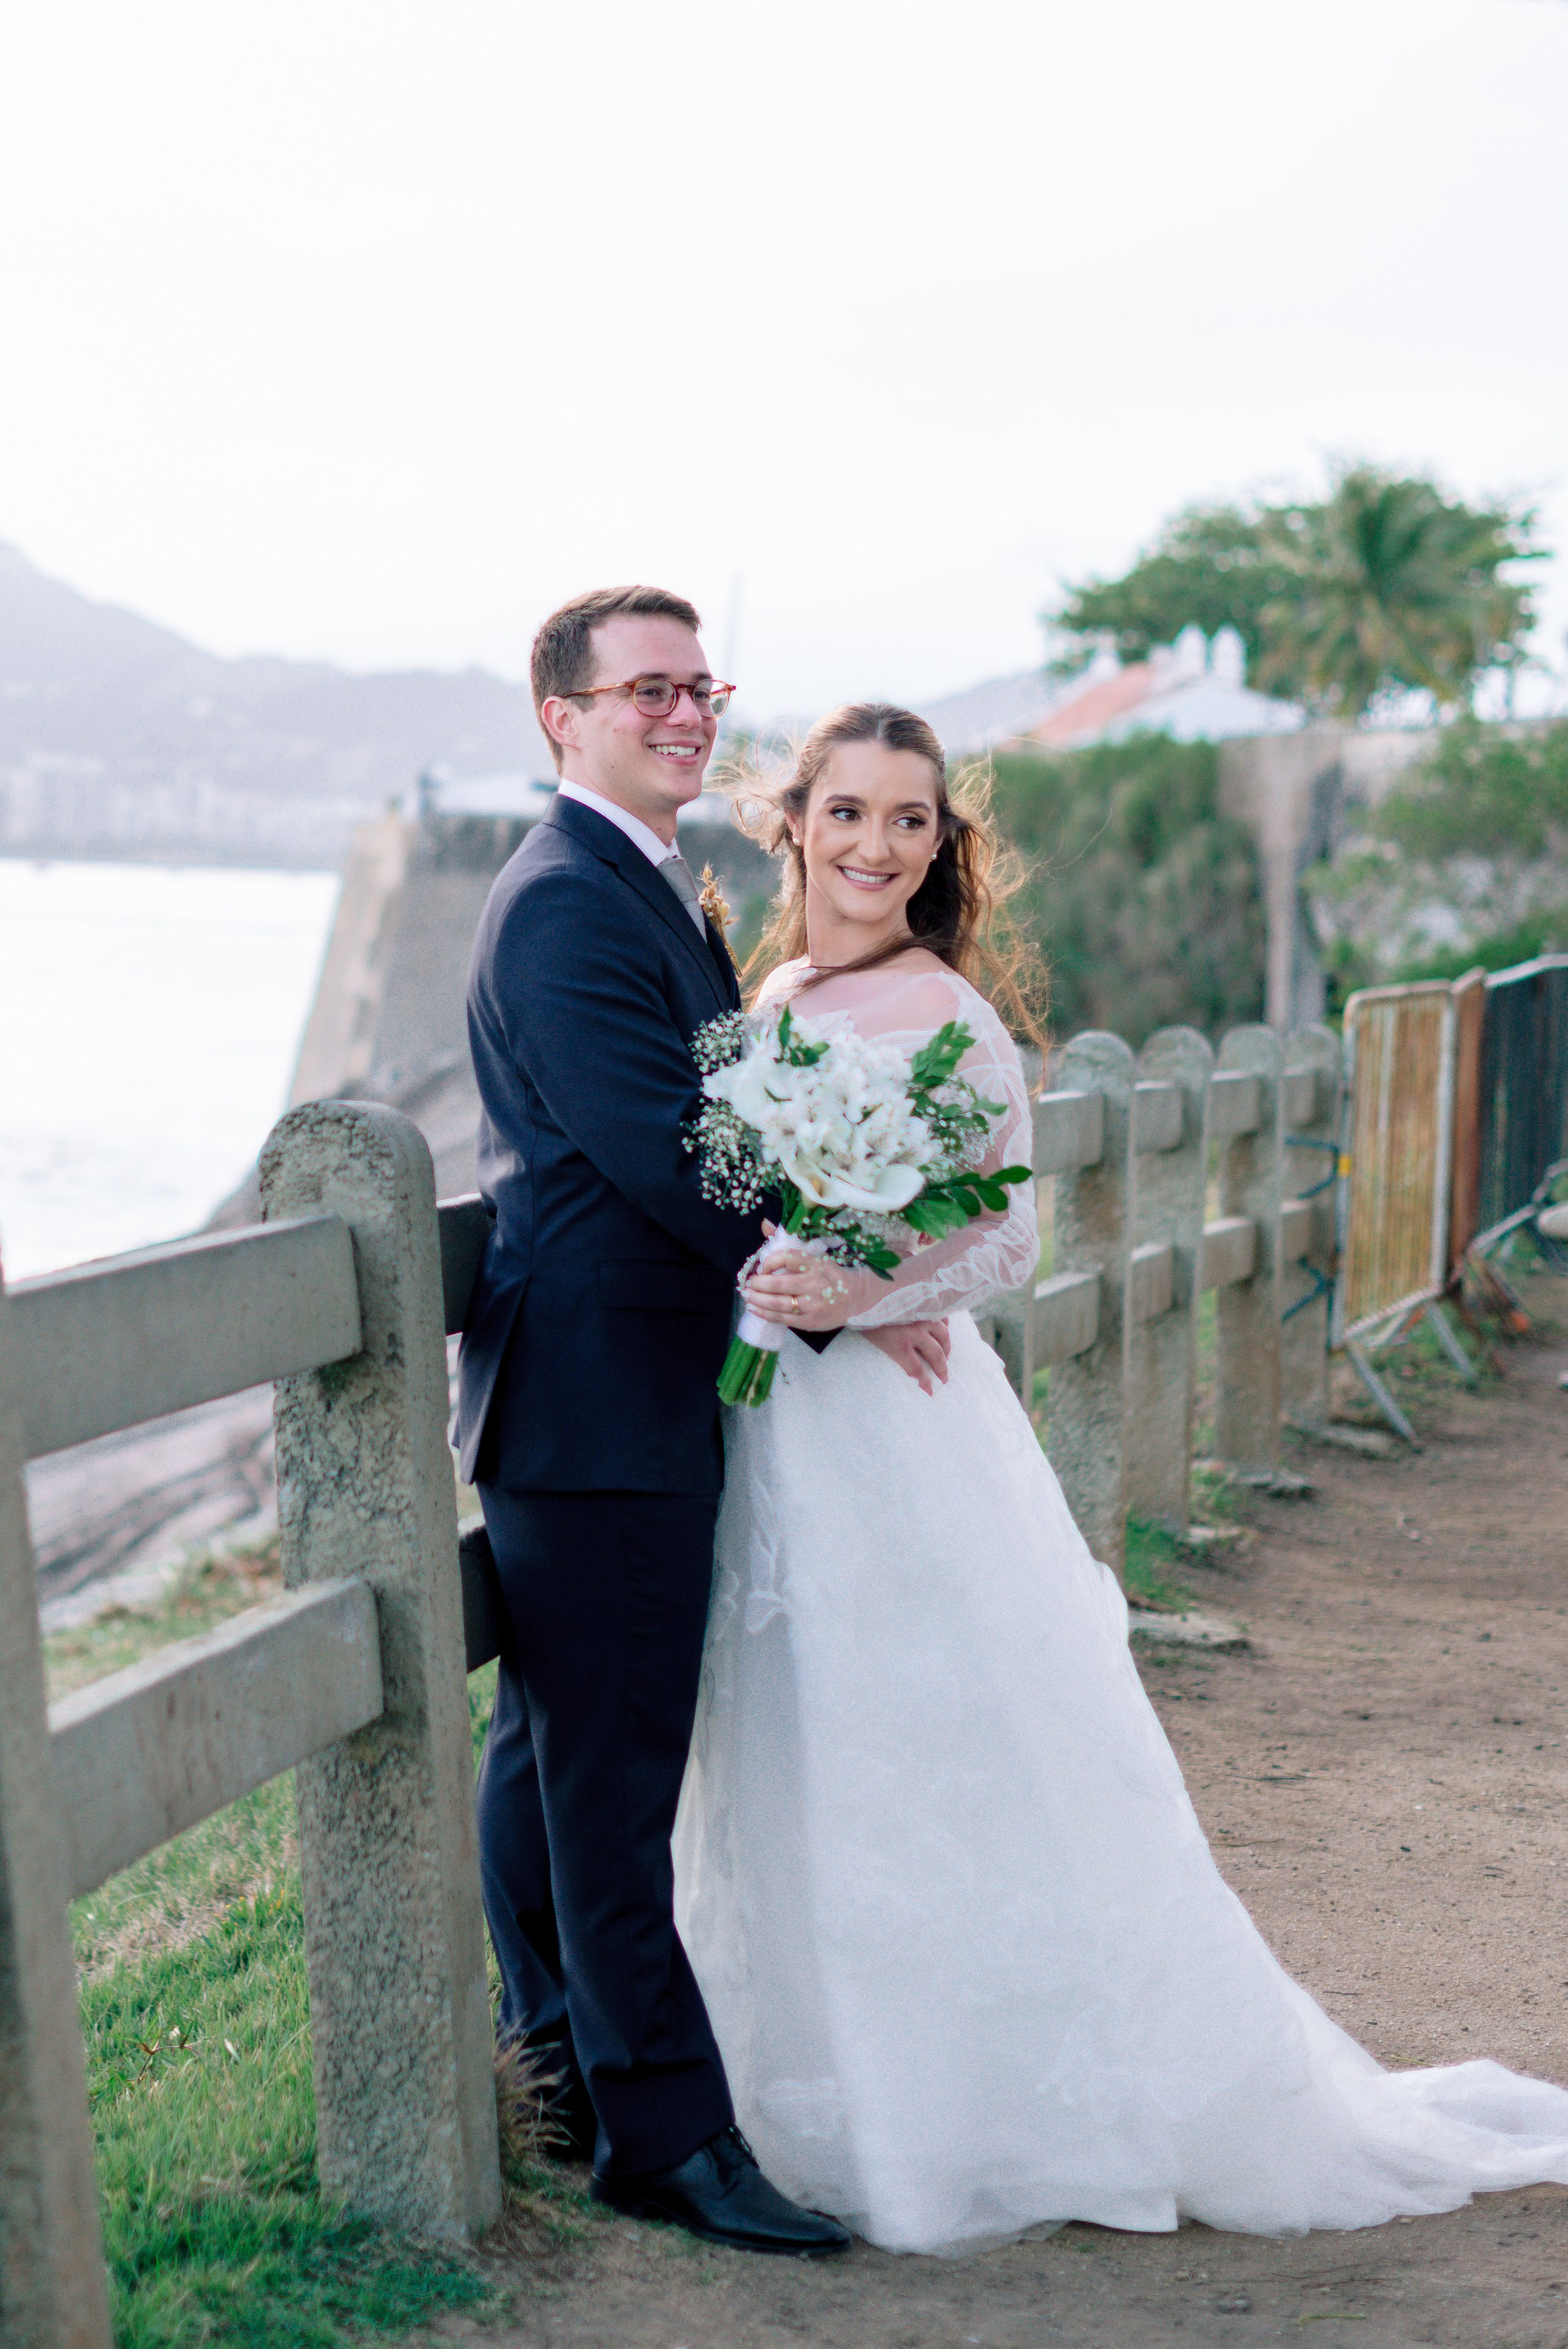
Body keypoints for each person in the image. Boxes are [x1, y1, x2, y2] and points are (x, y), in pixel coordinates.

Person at [672, 699, 1568, 2255]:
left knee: (937, 1736)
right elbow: (738, 1195)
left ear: (941, 843)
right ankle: (806, 2085)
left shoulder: (943, 1009)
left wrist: (867, 1291)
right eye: (848, 813)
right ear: (794, 824)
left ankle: (988, 2106)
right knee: (792, 1728)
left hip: (895, 1435)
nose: (876, 845)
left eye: (909, 819)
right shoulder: (778, 989)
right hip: (779, 1426)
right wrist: (788, 1274)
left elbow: (1005, 1235)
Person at [456, 588, 941, 2255]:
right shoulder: (564, 906)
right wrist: (852, 1265)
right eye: (646, 687)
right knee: (613, 1774)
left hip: (616, 1393)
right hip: (598, 1407)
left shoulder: (640, 882)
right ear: (563, 717)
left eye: (698, 682)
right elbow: (675, 1152)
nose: (682, 709)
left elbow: (716, 1119)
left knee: (550, 1755)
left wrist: (844, 1253)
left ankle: (550, 2066)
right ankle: (664, 2133)